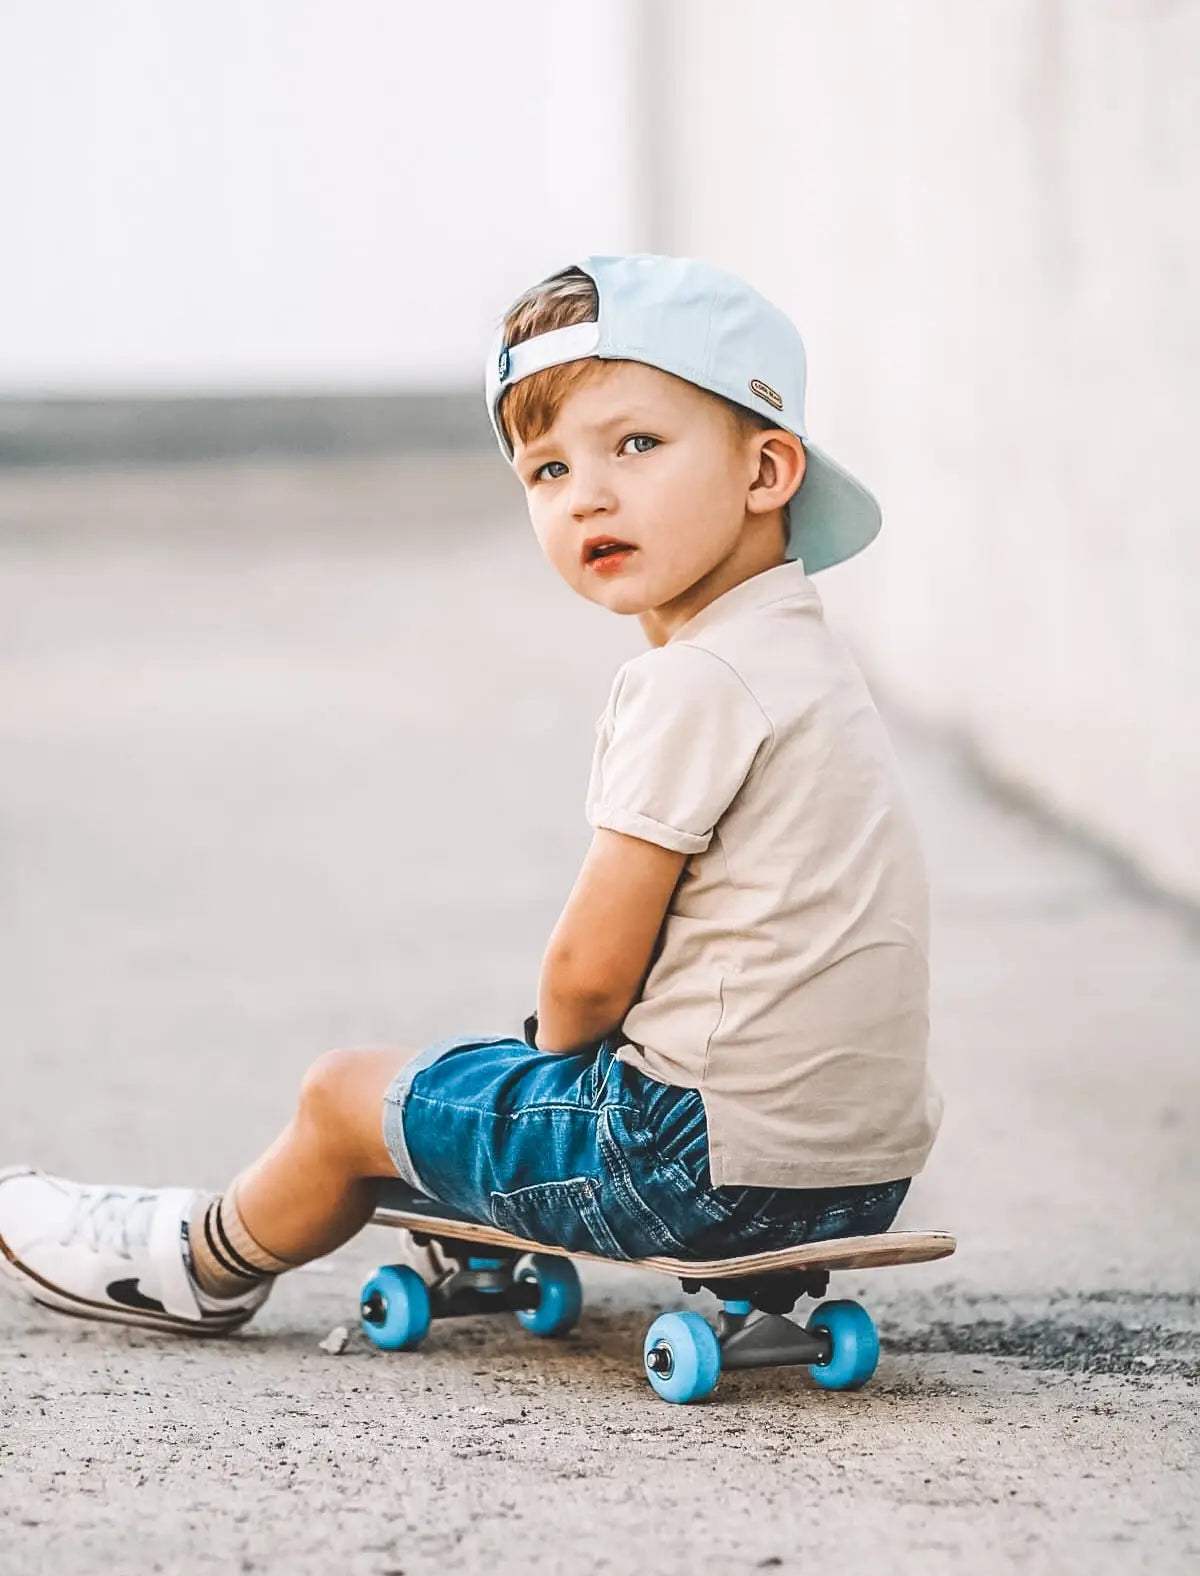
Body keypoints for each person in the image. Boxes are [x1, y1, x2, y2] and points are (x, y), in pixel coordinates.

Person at [0, 254, 942, 1335]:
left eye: (636, 444)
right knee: (476, 1082)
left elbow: (588, 981)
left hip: (689, 1158)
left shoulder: (695, 678)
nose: (587, 491)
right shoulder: (807, 663)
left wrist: (549, 1055)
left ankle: (200, 1261)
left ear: (767, 471)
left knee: (350, 1092)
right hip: (859, 1167)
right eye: (545, 469)